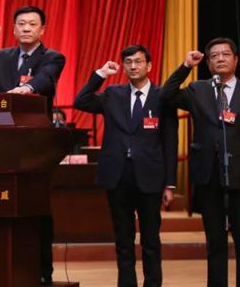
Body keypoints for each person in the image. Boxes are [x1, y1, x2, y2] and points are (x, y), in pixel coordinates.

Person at [0, 5, 65, 285]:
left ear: (42, 30)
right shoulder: (3, 56)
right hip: (3, 143)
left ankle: (42, 272)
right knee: (4, 204)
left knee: (37, 208)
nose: (26, 28)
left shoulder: (53, 57)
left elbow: (45, 78)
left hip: (36, 145)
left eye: (32, 24)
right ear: (14, 29)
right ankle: (3, 267)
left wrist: (27, 89)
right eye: (21, 24)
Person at [160, 38, 240, 287]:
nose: (220, 58)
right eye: (214, 55)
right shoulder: (198, 89)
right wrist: (186, 66)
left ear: (236, 60)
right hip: (208, 175)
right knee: (215, 243)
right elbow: (166, 95)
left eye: (225, 54)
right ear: (208, 63)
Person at [74, 45, 178, 287]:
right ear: (123, 67)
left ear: (149, 66)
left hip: (150, 176)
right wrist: (100, 74)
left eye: (138, 61)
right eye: (128, 62)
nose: (133, 66)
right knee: (123, 240)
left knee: (151, 240)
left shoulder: (163, 97)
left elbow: (170, 142)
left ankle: (153, 283)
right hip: (118, 176)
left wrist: (170, 183)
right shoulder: (113, 94)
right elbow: (81, 101)